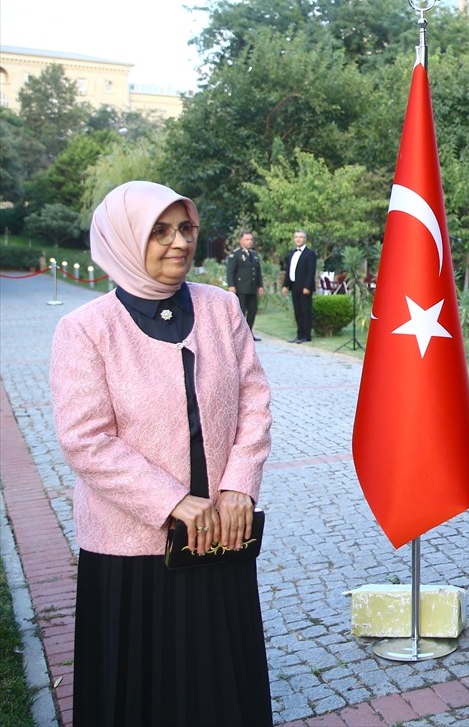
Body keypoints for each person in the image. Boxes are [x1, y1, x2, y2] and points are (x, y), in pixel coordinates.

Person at [49, 181, 273, 726]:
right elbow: (86, 438)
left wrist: (240, 483)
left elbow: (254, 399)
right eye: (159, 231)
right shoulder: (85, 329)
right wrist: (172, 500)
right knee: (142, 691)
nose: (178, 243)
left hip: (219, 534)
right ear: (125, 239)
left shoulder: (220, 309)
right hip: (131, 551)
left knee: (219, 685)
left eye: (186, 228)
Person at [226, 230, 265, 341]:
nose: (250, 241)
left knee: (252, 310)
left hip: (252, 288)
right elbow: (230, 271)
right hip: (241, 288)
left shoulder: (254, 254)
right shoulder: (236, 254)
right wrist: (231, 285)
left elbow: (258, 272)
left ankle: (249, 333)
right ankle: (239, 335)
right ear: (241, 241)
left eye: (251, 239)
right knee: (241, 311)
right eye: (247, 239)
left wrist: (260, 285)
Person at [282, 228, 317, 343]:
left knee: (305, 311)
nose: (298, 239)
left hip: (304, 288)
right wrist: (285, 285)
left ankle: (306, 335)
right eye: (296, 237)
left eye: (300, 237)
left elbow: (311, 272)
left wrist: (307, 287)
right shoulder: (292, 253)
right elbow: (289, 270)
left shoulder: (310, 254)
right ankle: (299, 334)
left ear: (305, 239)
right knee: (297, 312)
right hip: (294, 286)